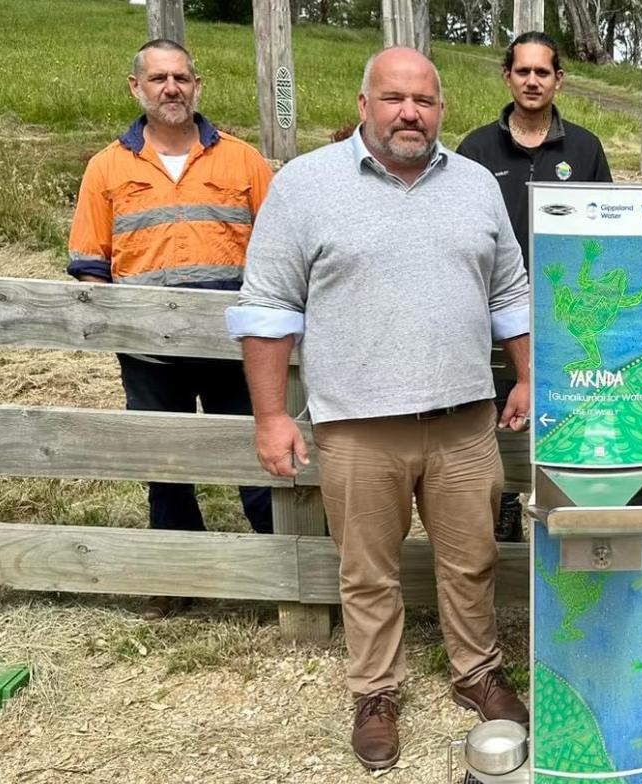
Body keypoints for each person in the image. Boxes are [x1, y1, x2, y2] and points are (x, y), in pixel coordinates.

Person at [225, 47, 532, 771]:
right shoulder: (304, 186)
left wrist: (527, 377)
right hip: (358, 424)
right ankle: (376, 692)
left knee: (472, 560)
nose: (409, 113)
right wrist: (272, 417)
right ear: (364, 104)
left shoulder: (477, 185)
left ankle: (477, 671)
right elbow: (267, 308)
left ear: (442, 109)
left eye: (423, 100)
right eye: (393, 98)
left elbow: (510, 292)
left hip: (463, 421)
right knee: (367, 571)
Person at [67, 39, 275, 619]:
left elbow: (278, 252)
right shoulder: (107, 168)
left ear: (198, 85)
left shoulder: (242, 161)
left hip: (234, 346)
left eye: (181, 77)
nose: (171, 88)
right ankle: (176, 574)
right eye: (158, 78)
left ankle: (285, 566)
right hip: (148, 354)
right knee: (163, 463)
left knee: (256, 457)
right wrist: (120, 326)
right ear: (136, 87)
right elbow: (90, 264)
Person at [457, 30, 612, 543]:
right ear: (507, 76)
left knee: (563, 412)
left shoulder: (585, 150)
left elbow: (605, 230)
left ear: (558, 80)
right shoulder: (475, 149)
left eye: (541, 71)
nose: (531, 80)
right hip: (490, 315)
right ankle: (502, 504)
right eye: (521, 71)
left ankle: (562, 509)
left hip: (564, 315)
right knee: (498, 413)